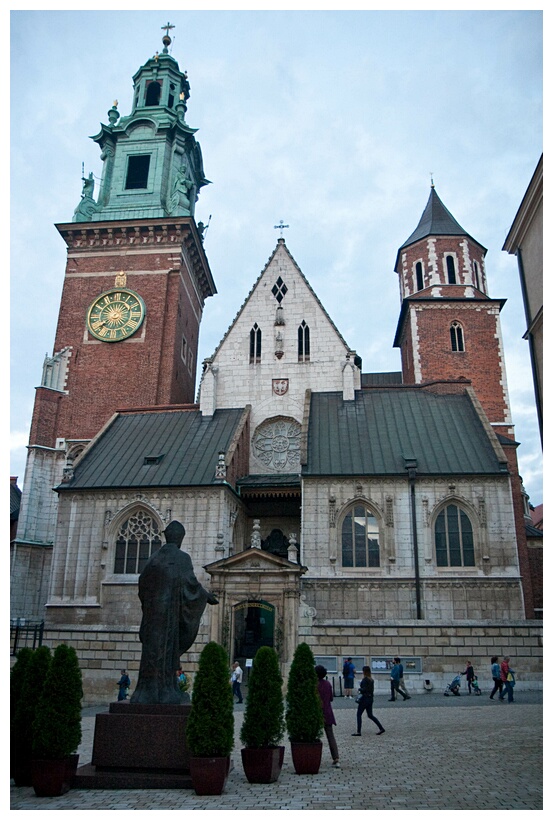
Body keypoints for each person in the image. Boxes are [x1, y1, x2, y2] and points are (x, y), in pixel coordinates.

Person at [130, 520, 218, 704]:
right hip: (169, 617)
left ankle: (145, 693)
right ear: (180, 538)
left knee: (151, 653)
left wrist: (149, 607)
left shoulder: (153, 558)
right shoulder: (182, 558)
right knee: (167, 652)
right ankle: (166, 692)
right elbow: (190, 583)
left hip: (152, 617)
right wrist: (206, 597)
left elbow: (142, 584)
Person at [315, 665, 340, 767]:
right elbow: (331, 698)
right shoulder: (328, 684)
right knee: (330, 736)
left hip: (317, 713)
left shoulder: (314, 685)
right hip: (327, 712)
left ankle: (313, 757)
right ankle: (336, 758)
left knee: (313, 736)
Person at [352, 666, 385, 736]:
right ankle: (381, 728)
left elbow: (364, 689)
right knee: (370, 715)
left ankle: (358, 731)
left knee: (359, 714)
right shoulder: (371, 680)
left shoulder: (364, 680)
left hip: (364, 699)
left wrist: (360, 689)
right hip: (370, 699)